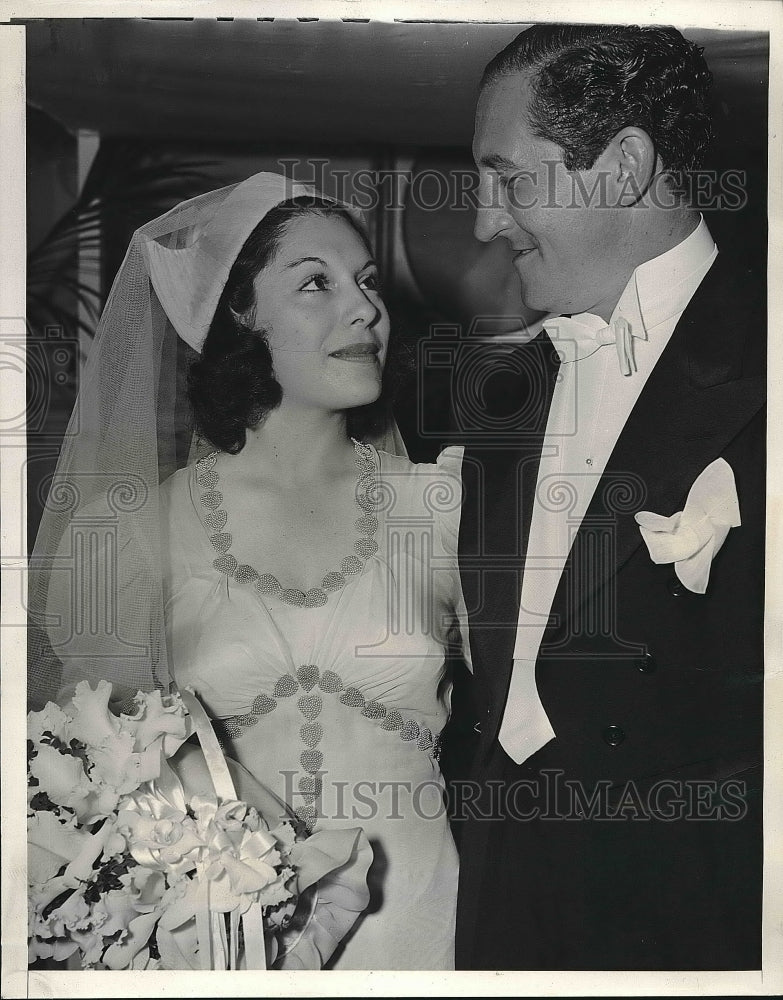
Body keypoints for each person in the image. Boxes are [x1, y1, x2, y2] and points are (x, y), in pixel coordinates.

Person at [28, 171, 464, 970]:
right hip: (226, 951)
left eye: (367, 281)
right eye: (315, 284)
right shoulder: (126, 533)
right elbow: (97, 786)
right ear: (239, 314)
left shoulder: (443, 505)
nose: (364, 308)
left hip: (426, 931)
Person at [453, 24, 765, 970]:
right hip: (502, 912)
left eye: (508, 179)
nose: (482, 222)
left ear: (623, 165)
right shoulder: (500, 399)